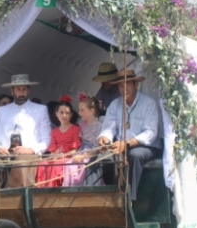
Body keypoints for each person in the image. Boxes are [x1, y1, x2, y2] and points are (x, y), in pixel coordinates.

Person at [98, 69, 161, 201]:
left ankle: (129, 201)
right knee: (102, 156)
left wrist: (127, 143)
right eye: (121, 85)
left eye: (127, 84)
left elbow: (151, 133)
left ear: (135, 85)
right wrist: (104, 138)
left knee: (135, 155)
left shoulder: (148, 103)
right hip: (122, 145)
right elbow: (109, 128)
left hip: (147, 146)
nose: (124, 88)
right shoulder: (115, 104)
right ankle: (107, 197)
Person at [0, 74, 52, 187]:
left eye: (24, 89)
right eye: (18, 89)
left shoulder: (40, 109)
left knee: (21, 161)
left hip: (29, 156)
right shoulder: (2, 110)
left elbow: (46, 140)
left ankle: (18, 199)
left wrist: (31, 150)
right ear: (12, 91)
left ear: (29, 91)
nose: (21, 93)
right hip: (6, 155)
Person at [35, 96, 82, 187]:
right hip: (57, 157)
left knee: (56, 166)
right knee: (42, 164)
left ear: (71, 114)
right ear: (56, 114)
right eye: (61, 112)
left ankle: (54, 191)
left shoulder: (75, 129)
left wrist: (62, 155)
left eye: (67, 113)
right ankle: (42, 192)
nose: (64, 115)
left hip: (69, 157)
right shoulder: (54, 131)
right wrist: (54, 155)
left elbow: (76, 149)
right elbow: (53, 148)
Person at [65, 95, 104, 186]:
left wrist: (83, 156)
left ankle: (81, 189)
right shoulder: (81, 124)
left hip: (93, 153)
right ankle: (70, 190)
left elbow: (98, 147)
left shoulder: (100, 126)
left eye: (82, 110)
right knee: (69, 164)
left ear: (91, 111)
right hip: (81, 150)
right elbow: (79, 142)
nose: (79, 113)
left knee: (83, 165)